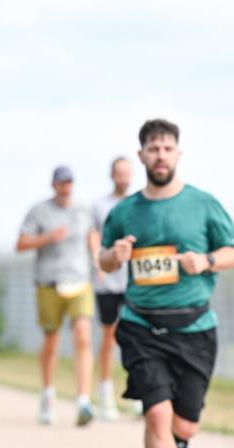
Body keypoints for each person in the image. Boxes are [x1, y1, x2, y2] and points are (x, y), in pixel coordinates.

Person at [100, 119, 234, 448]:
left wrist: (208, 261)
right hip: (141, 325)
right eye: (152, 148)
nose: (159, 155)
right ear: (141, 155)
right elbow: (103, 261)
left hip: (195, 328)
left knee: (184, 424)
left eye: (166, 148)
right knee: (157, 416)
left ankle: (178, 442)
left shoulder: (203, 204)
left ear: (177, 154)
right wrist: (116, 255)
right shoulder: (124, 211)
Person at [17, 166, 99, 426]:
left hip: (79, 281)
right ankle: (48, 393)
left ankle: (84, 400)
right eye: (62, 183)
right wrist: (48, 238)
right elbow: (20, 244)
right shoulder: (39, 211)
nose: (66, 187)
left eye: (70, 183)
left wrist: (97, 259)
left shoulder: (84, 210)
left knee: (83, 337)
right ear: (53, 185)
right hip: (49, 282)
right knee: (51, 340)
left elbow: (92, 236)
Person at [93, 156, 133, 420]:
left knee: (134, 336)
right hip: (108, 282)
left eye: (127, 174)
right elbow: (94, 236)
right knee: (109, 336)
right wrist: (98, 264)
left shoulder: (138, 204)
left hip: (133, 283)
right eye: (119, 173)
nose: (123, 178)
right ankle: (105, 393)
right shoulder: (100, 206)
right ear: (111, 175)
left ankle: (138, 392)